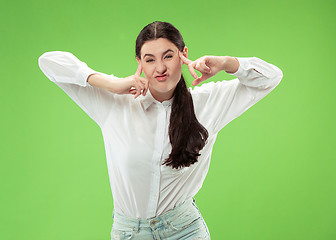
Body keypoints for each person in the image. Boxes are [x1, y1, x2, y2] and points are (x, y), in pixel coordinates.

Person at [38, 21, 283, 240]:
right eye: (150, 59)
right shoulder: (116, 103)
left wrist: (227, 63)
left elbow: (271, 77)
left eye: (168, 56)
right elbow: (48, 62)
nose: (160, 68)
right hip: (130, 233)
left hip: (186, 230)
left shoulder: (208, 102)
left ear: (183, 55)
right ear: (140, 63)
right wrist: (111, 84)